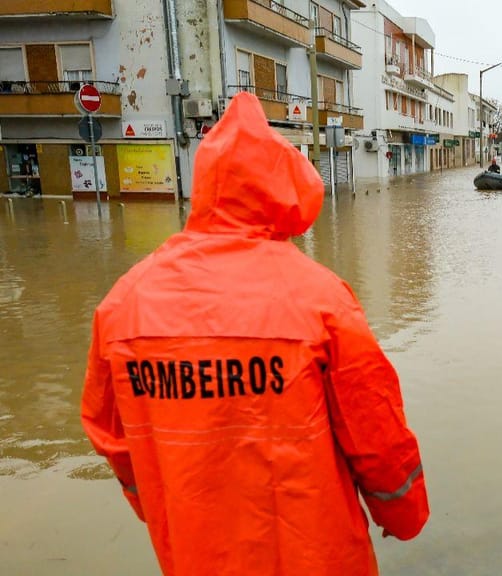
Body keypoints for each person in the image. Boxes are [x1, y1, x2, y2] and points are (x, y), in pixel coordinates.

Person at [81, 92, 428, 576]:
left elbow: (111, 436)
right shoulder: (321, 299)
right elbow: (375, 433)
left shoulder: (124, 304)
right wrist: (404, 514)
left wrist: (164, 505)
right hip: (318, 556)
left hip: (193, 552)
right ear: (283, 184)